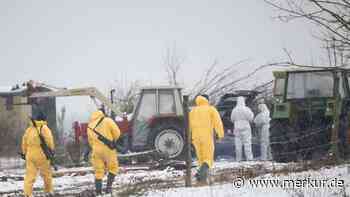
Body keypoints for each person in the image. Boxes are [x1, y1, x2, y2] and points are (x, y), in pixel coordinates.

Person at [189, 95, 224, 183]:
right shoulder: (211, 109)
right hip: (207, 137)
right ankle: (201, 173)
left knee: (201, 159)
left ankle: (202, 179)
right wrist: (220, 134)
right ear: (207, 100)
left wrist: (189, 137)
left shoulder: (192, 111)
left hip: (195, 138)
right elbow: (218, 122)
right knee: (208, 158)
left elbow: (188, 126)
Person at [87, 110, 121, 195]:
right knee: (113, 168)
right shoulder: (107, 120)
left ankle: (98, 192)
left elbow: (90, 141)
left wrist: (95, 147)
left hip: (96, 150)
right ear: (102, 113)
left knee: (98, 171)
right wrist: (112, 141)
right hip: (108, 149)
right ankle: (108, 189)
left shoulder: (89, 126)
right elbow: (117, 133)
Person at [22, 112, 55, 197]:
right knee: (46, 174)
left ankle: (27, 193)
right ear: (44, 119)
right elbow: (49, 141)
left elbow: (24, 142)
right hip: (42, 154)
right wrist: (52, 151)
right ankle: (48, 191)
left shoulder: (29, 129)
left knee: (29, 176)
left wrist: (25, 153)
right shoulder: (44, 128)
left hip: (30, 154)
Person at [231, 96, 254, 161]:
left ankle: (238, 159)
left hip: (237, 128)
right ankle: (249, 158)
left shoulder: (234, 110)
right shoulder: (247, 109)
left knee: (238, 144)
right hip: (246, 127)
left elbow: (232, 119)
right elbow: (251, 118)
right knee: (247, 144)